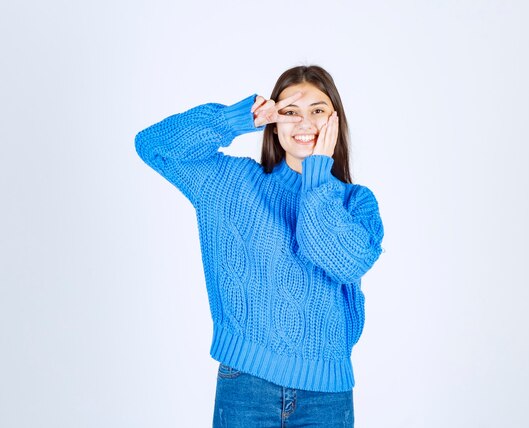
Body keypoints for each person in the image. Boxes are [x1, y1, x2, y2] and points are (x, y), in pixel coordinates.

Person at [135, 65, 384, 427]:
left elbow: (337, 258)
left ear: (335, 121)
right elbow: (152, 146)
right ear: (273, 121)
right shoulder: (231, 182)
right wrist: (235, 119)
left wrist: (317, 172)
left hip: (326, 398)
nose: (304, 122)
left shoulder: (357, 203)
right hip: (246, 386)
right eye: (290, 112)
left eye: (317, 110)